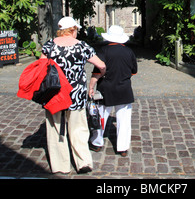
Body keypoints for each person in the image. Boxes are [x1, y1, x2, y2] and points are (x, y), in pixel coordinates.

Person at [40, 16, 106, 174]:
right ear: (72, 30)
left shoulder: (49, 45)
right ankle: (83, 162)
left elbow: (40, 67)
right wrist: (94, 79)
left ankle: (60, 166)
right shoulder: (82, 46)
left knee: (56, 128)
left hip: (54, 93)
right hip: (76, 94)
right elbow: (101, 65)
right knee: (79, 128)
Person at [89, 25, 137, 157]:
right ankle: (122, 147)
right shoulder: (129, 52)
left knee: (101, 117)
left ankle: (97, 143)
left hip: (106, 88)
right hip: (124, 89)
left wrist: (91, 86)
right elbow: (134, 71)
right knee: (124, 120)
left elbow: (97, 72)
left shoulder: (103, 51)